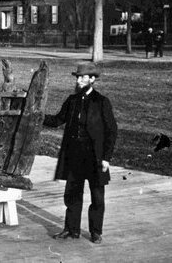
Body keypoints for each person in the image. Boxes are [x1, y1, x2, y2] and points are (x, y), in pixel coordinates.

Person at [44, 62, 118, 244]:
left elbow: (111, 131)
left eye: (83, 77)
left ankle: (95, 232)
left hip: (95, 158)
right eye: (77, 77)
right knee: (72, 194)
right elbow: (57, 120)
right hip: (75, 156)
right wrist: (37, 115)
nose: (79, 80)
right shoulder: (72, 100)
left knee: (97, 197)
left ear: (92, 79)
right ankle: (71, 230)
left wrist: (106, 158)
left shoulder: (102, 102)